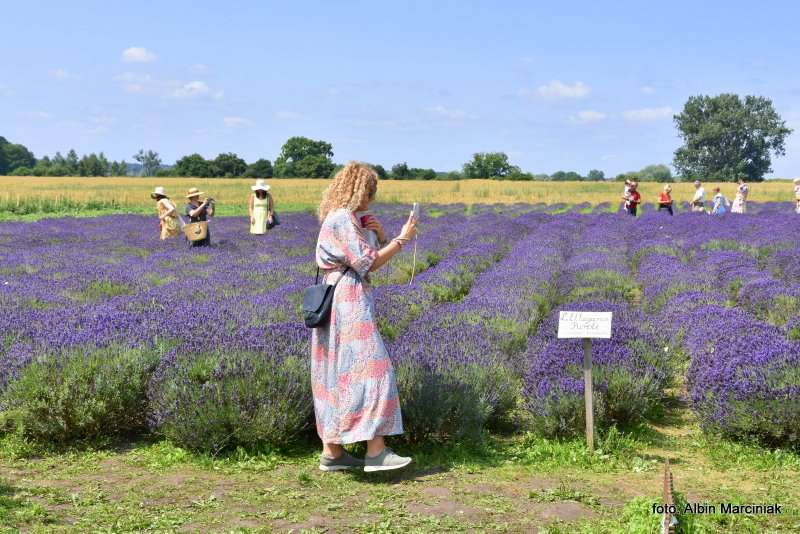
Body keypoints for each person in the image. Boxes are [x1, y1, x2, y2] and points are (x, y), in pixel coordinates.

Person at [312, 161, 417, 473]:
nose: (372, 197)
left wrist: (378, 233)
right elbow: (368, 264)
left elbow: (366, 256)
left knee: (334, 371)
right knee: (374, 369)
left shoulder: (349, 219)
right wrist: (401, 239)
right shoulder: (343, 218)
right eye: (372, 191)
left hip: (342, 296)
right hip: (347, 300)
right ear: (362, 189)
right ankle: (376, 451)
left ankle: (333, 452)